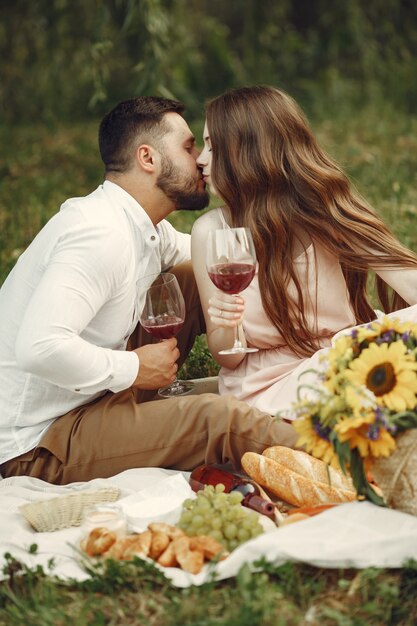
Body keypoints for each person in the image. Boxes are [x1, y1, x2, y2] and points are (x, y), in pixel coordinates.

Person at [0, 95, 298, 485]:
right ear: (148, 158)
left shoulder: (140, 225)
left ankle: (288, 372)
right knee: (216, 418)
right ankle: (355, 447)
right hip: (37, 441)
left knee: (193, 277)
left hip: (88, 398)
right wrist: (135, 368)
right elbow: (38, 347)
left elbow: (221, 257)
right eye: (190, 147)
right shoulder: (100, 235)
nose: (202, 160)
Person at [192, 85, 417, 416]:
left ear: (248, 152)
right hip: (272, 385)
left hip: (345, 356)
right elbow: (229, 356)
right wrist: (226, 323)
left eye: (212, 146)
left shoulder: (325, 209)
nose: (200, 159)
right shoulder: (211, 231)